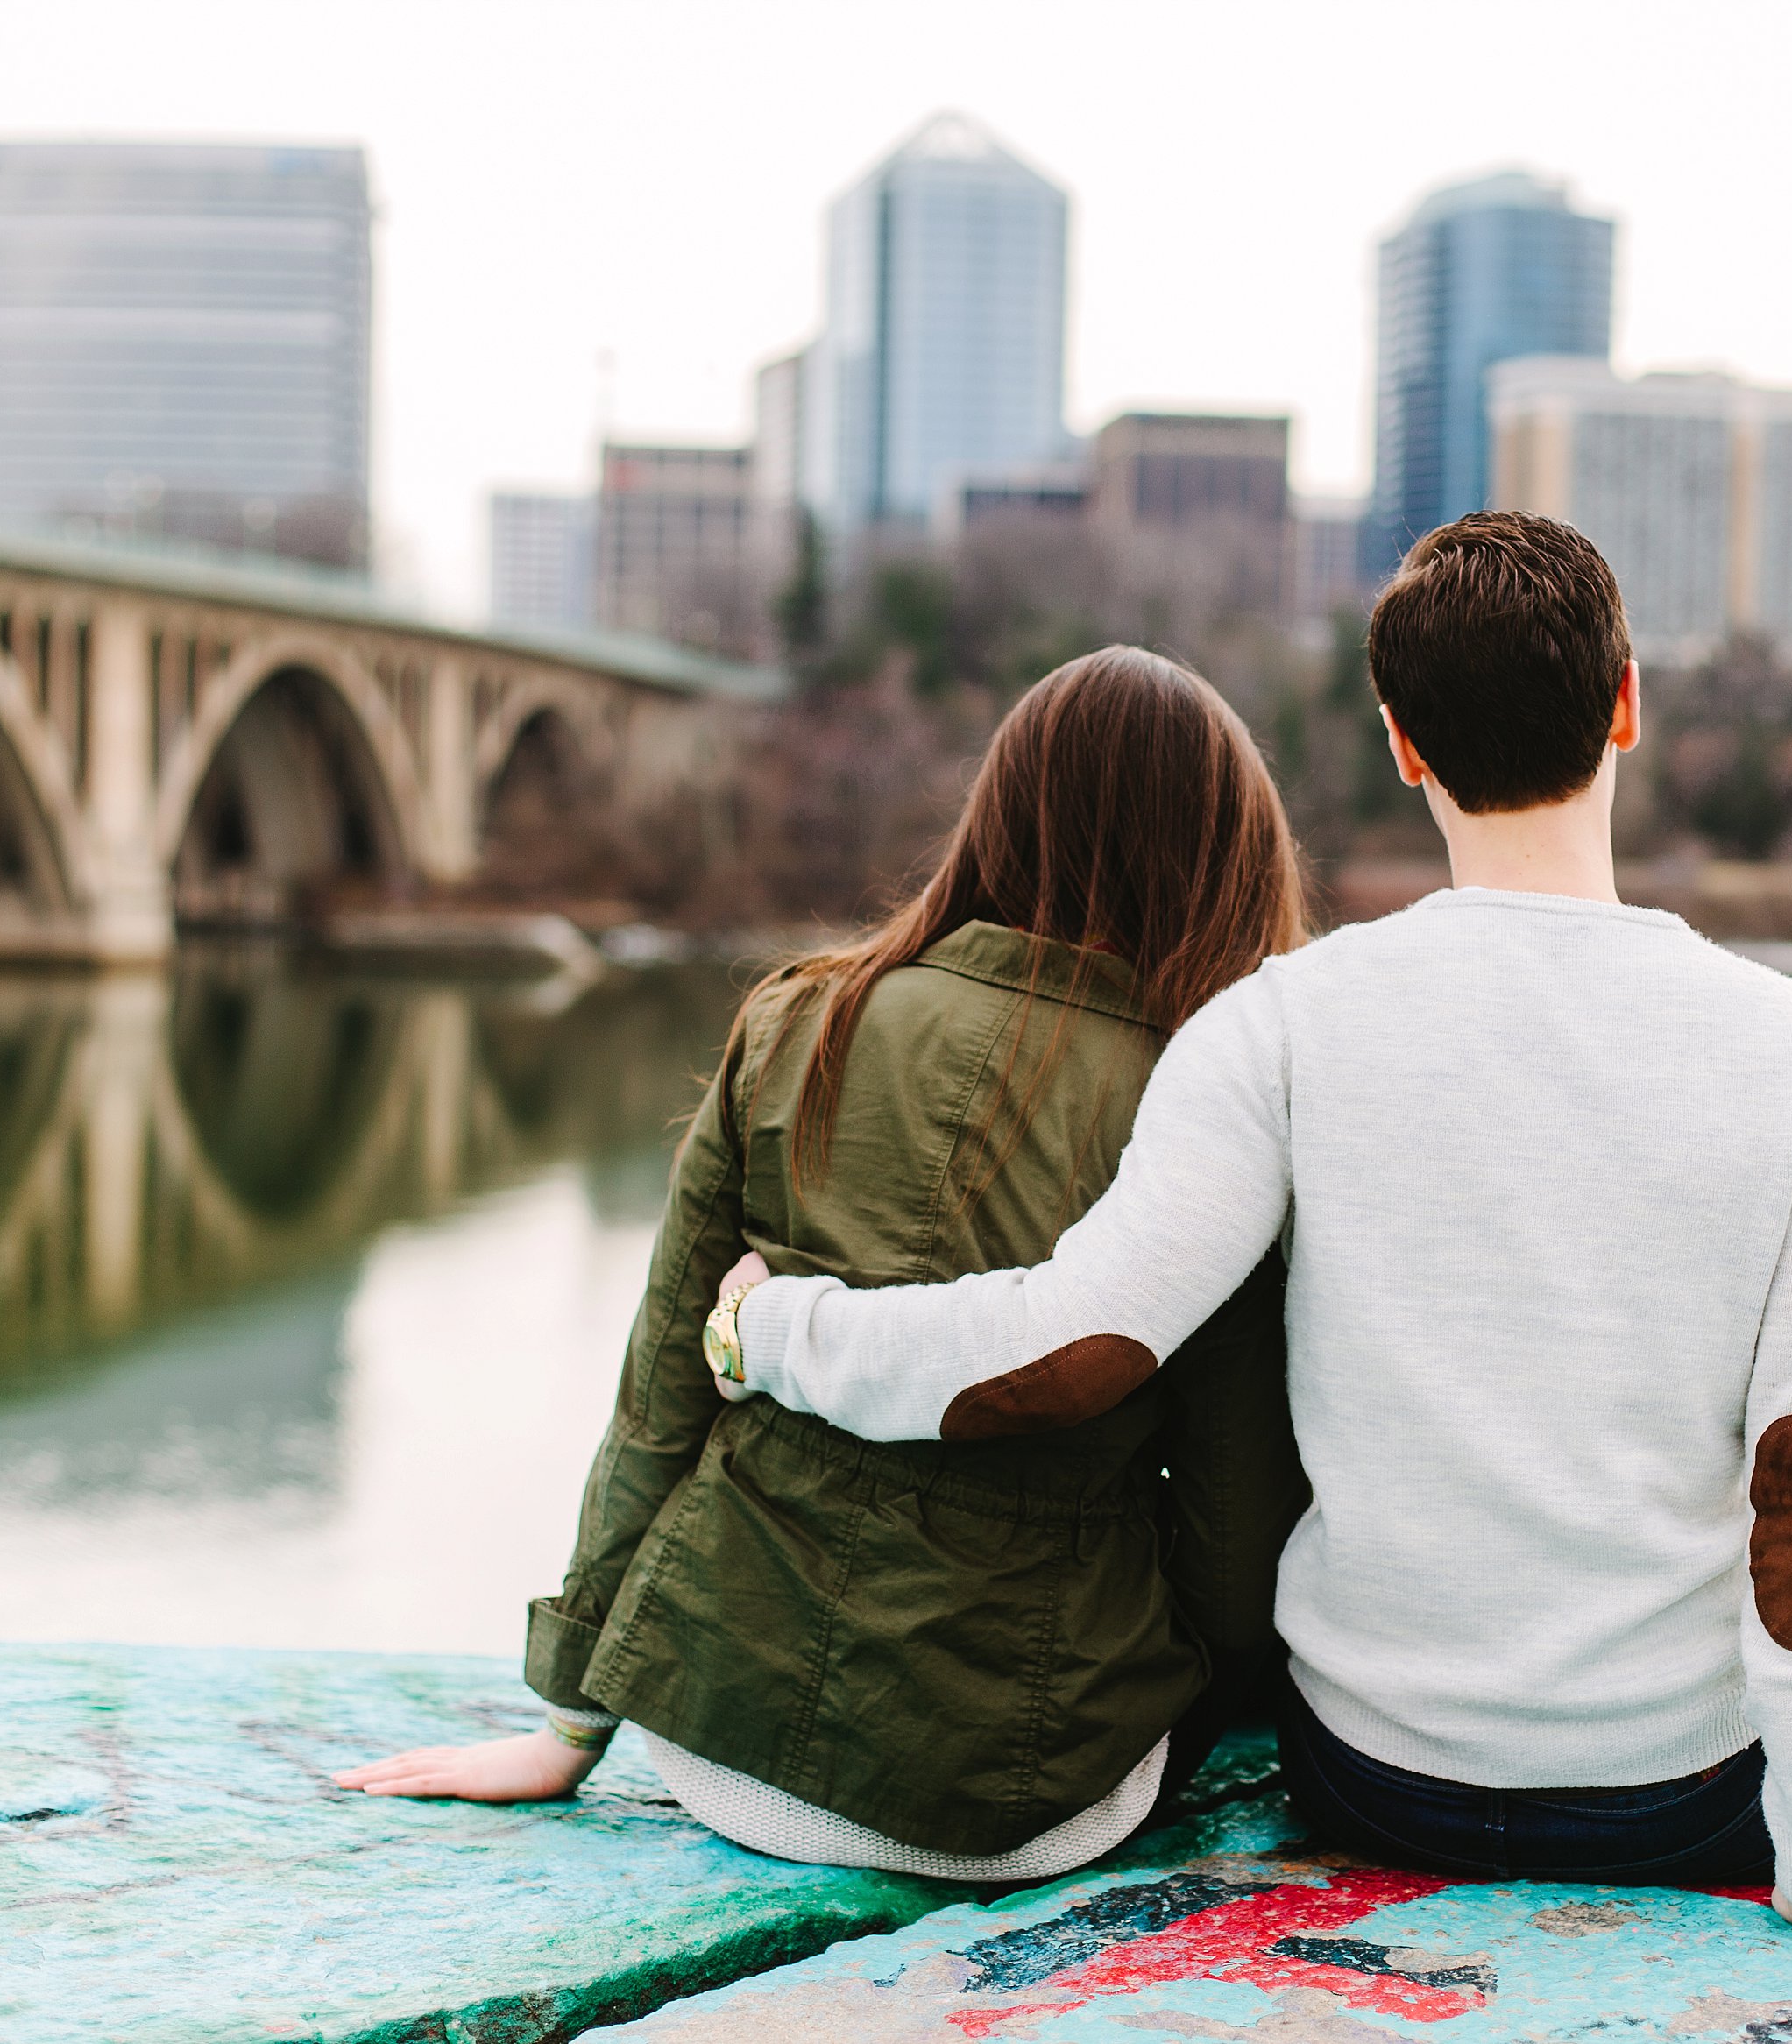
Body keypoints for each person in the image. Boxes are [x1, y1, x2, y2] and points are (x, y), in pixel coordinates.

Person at [706, 513, 1792, 1937]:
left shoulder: (1281, 1023)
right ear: (1628, 702)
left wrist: (777, 1329)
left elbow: (1066, 1345)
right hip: (1674, 1795)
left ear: (1403, 742)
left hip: (1379, 1775)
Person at [336, 647, 1310, 1883]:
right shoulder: (1204, 1105)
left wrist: (570, 1724)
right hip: (1028, 1796)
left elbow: (661, 1393)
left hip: (717, 1738)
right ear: (1227, 858)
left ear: (998, 814)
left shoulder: (803, 1016)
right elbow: (1236, 1526)